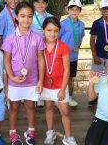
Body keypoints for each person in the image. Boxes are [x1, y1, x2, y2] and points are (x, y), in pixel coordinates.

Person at [1, 1, 45, 145]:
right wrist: (12, 77)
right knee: (14, 107)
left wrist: (40, 80)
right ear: (17, 18)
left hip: (32, 80)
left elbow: (40, 59)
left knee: (31, 106)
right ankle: (13, 133)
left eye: (30, 16)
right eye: (23, 16)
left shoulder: (37, 38)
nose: (26, 19)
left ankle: (30, 131)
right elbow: (6, 60)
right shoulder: (10, 38)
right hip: (15, 81)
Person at [40, 17, 77, 145]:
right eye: (49, 30)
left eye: (56, 30)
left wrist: (62, 89)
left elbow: (67, 70)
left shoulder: (63, 47)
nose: (52, 33)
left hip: (60, 85)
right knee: (48, 107)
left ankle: (68, 137)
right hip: (45, 84)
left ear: (59, 31)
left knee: (65, 111)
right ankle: (50, 132)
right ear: (43, 30)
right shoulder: (40, 46)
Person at [59, 0, 85, 107]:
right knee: (60, 76)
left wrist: (77, 47)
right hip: (62, 56)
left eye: (76, 9)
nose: (74, 12)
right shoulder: (62, 24)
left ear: (80, 11)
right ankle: (59, 96)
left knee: (70, 77)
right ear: (67, 10)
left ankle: (69, 97)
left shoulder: (82, 24)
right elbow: (57, 39)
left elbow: (81, 37)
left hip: (73, 56)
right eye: (72, 9)